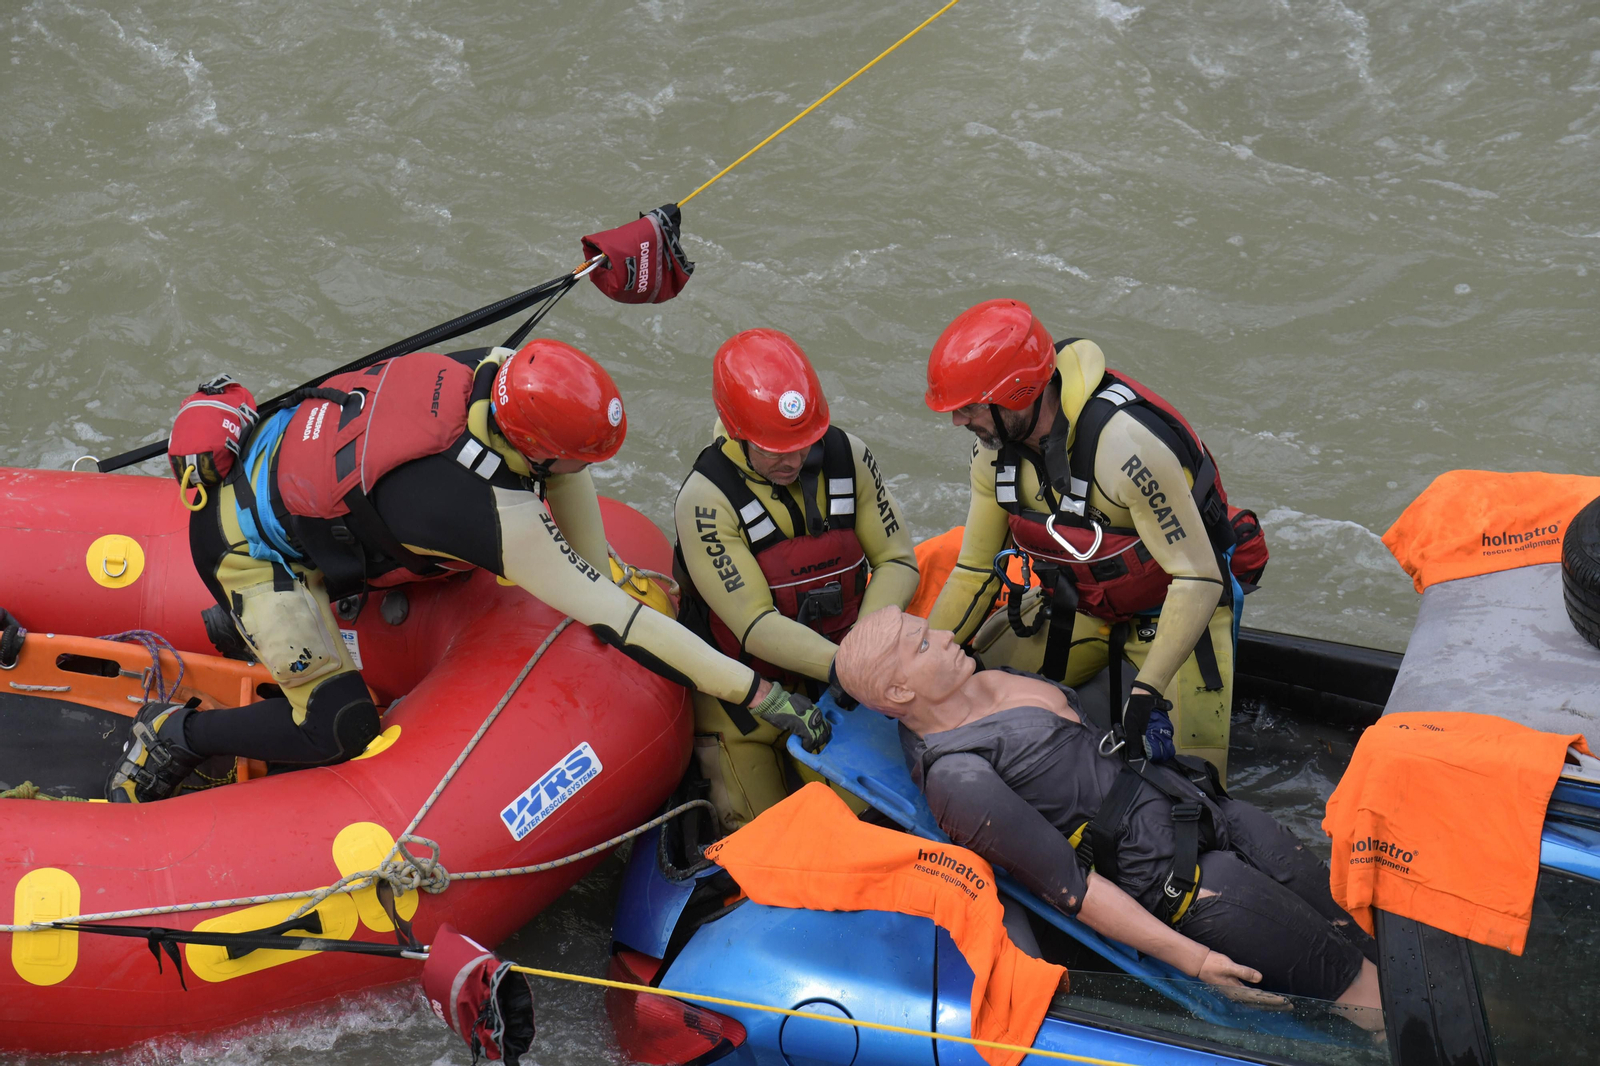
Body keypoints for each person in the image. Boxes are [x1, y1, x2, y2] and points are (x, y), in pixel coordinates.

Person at [107, 340, 824, 802]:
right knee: (338, 727)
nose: (587, 471)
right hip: (249, 549)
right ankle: (178, 734)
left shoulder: (497, 368)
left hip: (307, 481)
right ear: (535, 446)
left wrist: (599, 563)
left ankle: (278, 620)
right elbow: (620, 621)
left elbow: (566, 475)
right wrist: (758, 693)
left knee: (426, 556)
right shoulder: (475, 510)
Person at [833, 606, 1382, 1022]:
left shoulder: (984, 678)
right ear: (899, 689)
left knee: (1368, 925)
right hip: (1183, 881)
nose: (948, 635)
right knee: (1366, 992)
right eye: (924, 643)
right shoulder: (959, 777)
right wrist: (1193, 962)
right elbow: (1071, 888)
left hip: (1207, 810)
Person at [922, 299, 1260, 780]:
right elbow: (974, 570)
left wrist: (1148, 692)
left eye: (969, 408)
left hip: (1177, 613)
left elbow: (1198, 577)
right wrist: (920, 665)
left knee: (1195, 788)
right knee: (965, 695)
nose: (960, 422)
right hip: (1076, 605)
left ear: (1015, 393)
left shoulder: (1126, 446)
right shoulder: (992, 452)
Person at [674, 329, 919, 827]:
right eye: (773, 449)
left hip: (842, 681)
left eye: (804, 443)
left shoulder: (850, 456)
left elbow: (897, 560)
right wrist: (848, 666)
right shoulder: (705, 499)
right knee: (757, 836)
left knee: (880, 821)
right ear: (736, 432)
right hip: (743, 699)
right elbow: (754, 624)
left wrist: (864, 654)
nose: (793, 459)